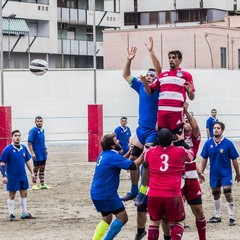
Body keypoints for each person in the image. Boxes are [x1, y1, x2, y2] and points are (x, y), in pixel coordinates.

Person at [121, 37, 171, 240]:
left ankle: (143, 190)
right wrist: (129, 59)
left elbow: (159, 71)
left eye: (152, 76)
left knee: (147, 164)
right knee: (132, 161)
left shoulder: (159, 88)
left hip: (153, 132)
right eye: (148, 76)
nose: (150, 78)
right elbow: (125, 75)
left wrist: (151, 51)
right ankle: (134, 190)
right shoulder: (140, 86)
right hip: (141, 130)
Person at [142, 128, 195, 240]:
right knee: (178, 223)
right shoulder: (179, 152)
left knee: (154, 223)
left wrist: (156, 143)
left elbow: (146, 157)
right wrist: (181, 142)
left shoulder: (150, 152)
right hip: (173, 194)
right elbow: (192, 155)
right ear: (172, 139)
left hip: (154, 193)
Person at [90, 133, 144, 240]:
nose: (118, 141)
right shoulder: (113, 156)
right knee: (123, 218)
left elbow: (118, 162)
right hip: (107, 194)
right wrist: (144, 154)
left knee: (106, 219)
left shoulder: (104, 154)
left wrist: (128, 153)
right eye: (116, 140)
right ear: (112, 146)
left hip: (96, 192)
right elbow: (134, 166)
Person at [143, 49, 195, 135]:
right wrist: (145, 83)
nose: (171, 60)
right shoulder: (163, 75)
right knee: (162, 138)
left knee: (176, 138)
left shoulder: (186, 75)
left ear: (180, 60)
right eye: (169, 58)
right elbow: (150, 91)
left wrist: (190, 91)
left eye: (174, 58)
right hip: (162, 113)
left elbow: (191, 97)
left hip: (176, 113)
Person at [200, 121, 240, 226]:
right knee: (216, 194)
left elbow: (234, 160)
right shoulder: (208, 143)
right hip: (214, 174)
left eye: (218, 128)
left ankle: (231, 217)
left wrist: (238, 173)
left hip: (226, 173)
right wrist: (201, 172)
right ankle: (217, 216)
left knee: (227, 192)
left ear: (222, 130)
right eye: (214, 128)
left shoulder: (228, 143)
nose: (216, 130)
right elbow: (204, 158)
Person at [181, 103, 206, 240]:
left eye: (188, 120)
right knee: (176, 214)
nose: (186, 122)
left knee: (199, 211)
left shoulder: (195, 137)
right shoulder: (175, 136)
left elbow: (195, 127)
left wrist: (186, 111)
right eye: (183, 121)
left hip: (191, 179)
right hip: (176, 178)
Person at [0, 130, 36, 221]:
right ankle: (11, 214)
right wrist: (4, 175)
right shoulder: (7, 149)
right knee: (12, 195)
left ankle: (24, 213)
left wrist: (32, 172)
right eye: (15, 135)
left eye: (19, 135)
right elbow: (2, 163)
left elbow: (28, 161)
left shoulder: (24, 148)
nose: (17, 137)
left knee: (24, 194)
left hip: (22, 176)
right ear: (12, 137)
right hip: (12, 176)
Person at [28, 116, 51, 190]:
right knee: (36, 168)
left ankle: (42, 184)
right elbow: (29, 142)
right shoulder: (33, 131)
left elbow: (42, 141)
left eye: (40, 121)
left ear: (42, 122)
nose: (39, 122)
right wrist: (32, 153)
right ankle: (34, 184)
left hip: (42, 151)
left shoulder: (42, 130)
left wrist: (46, 149)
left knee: (42, 167)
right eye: (37, 121)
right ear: (35, 122)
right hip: (36, 152)